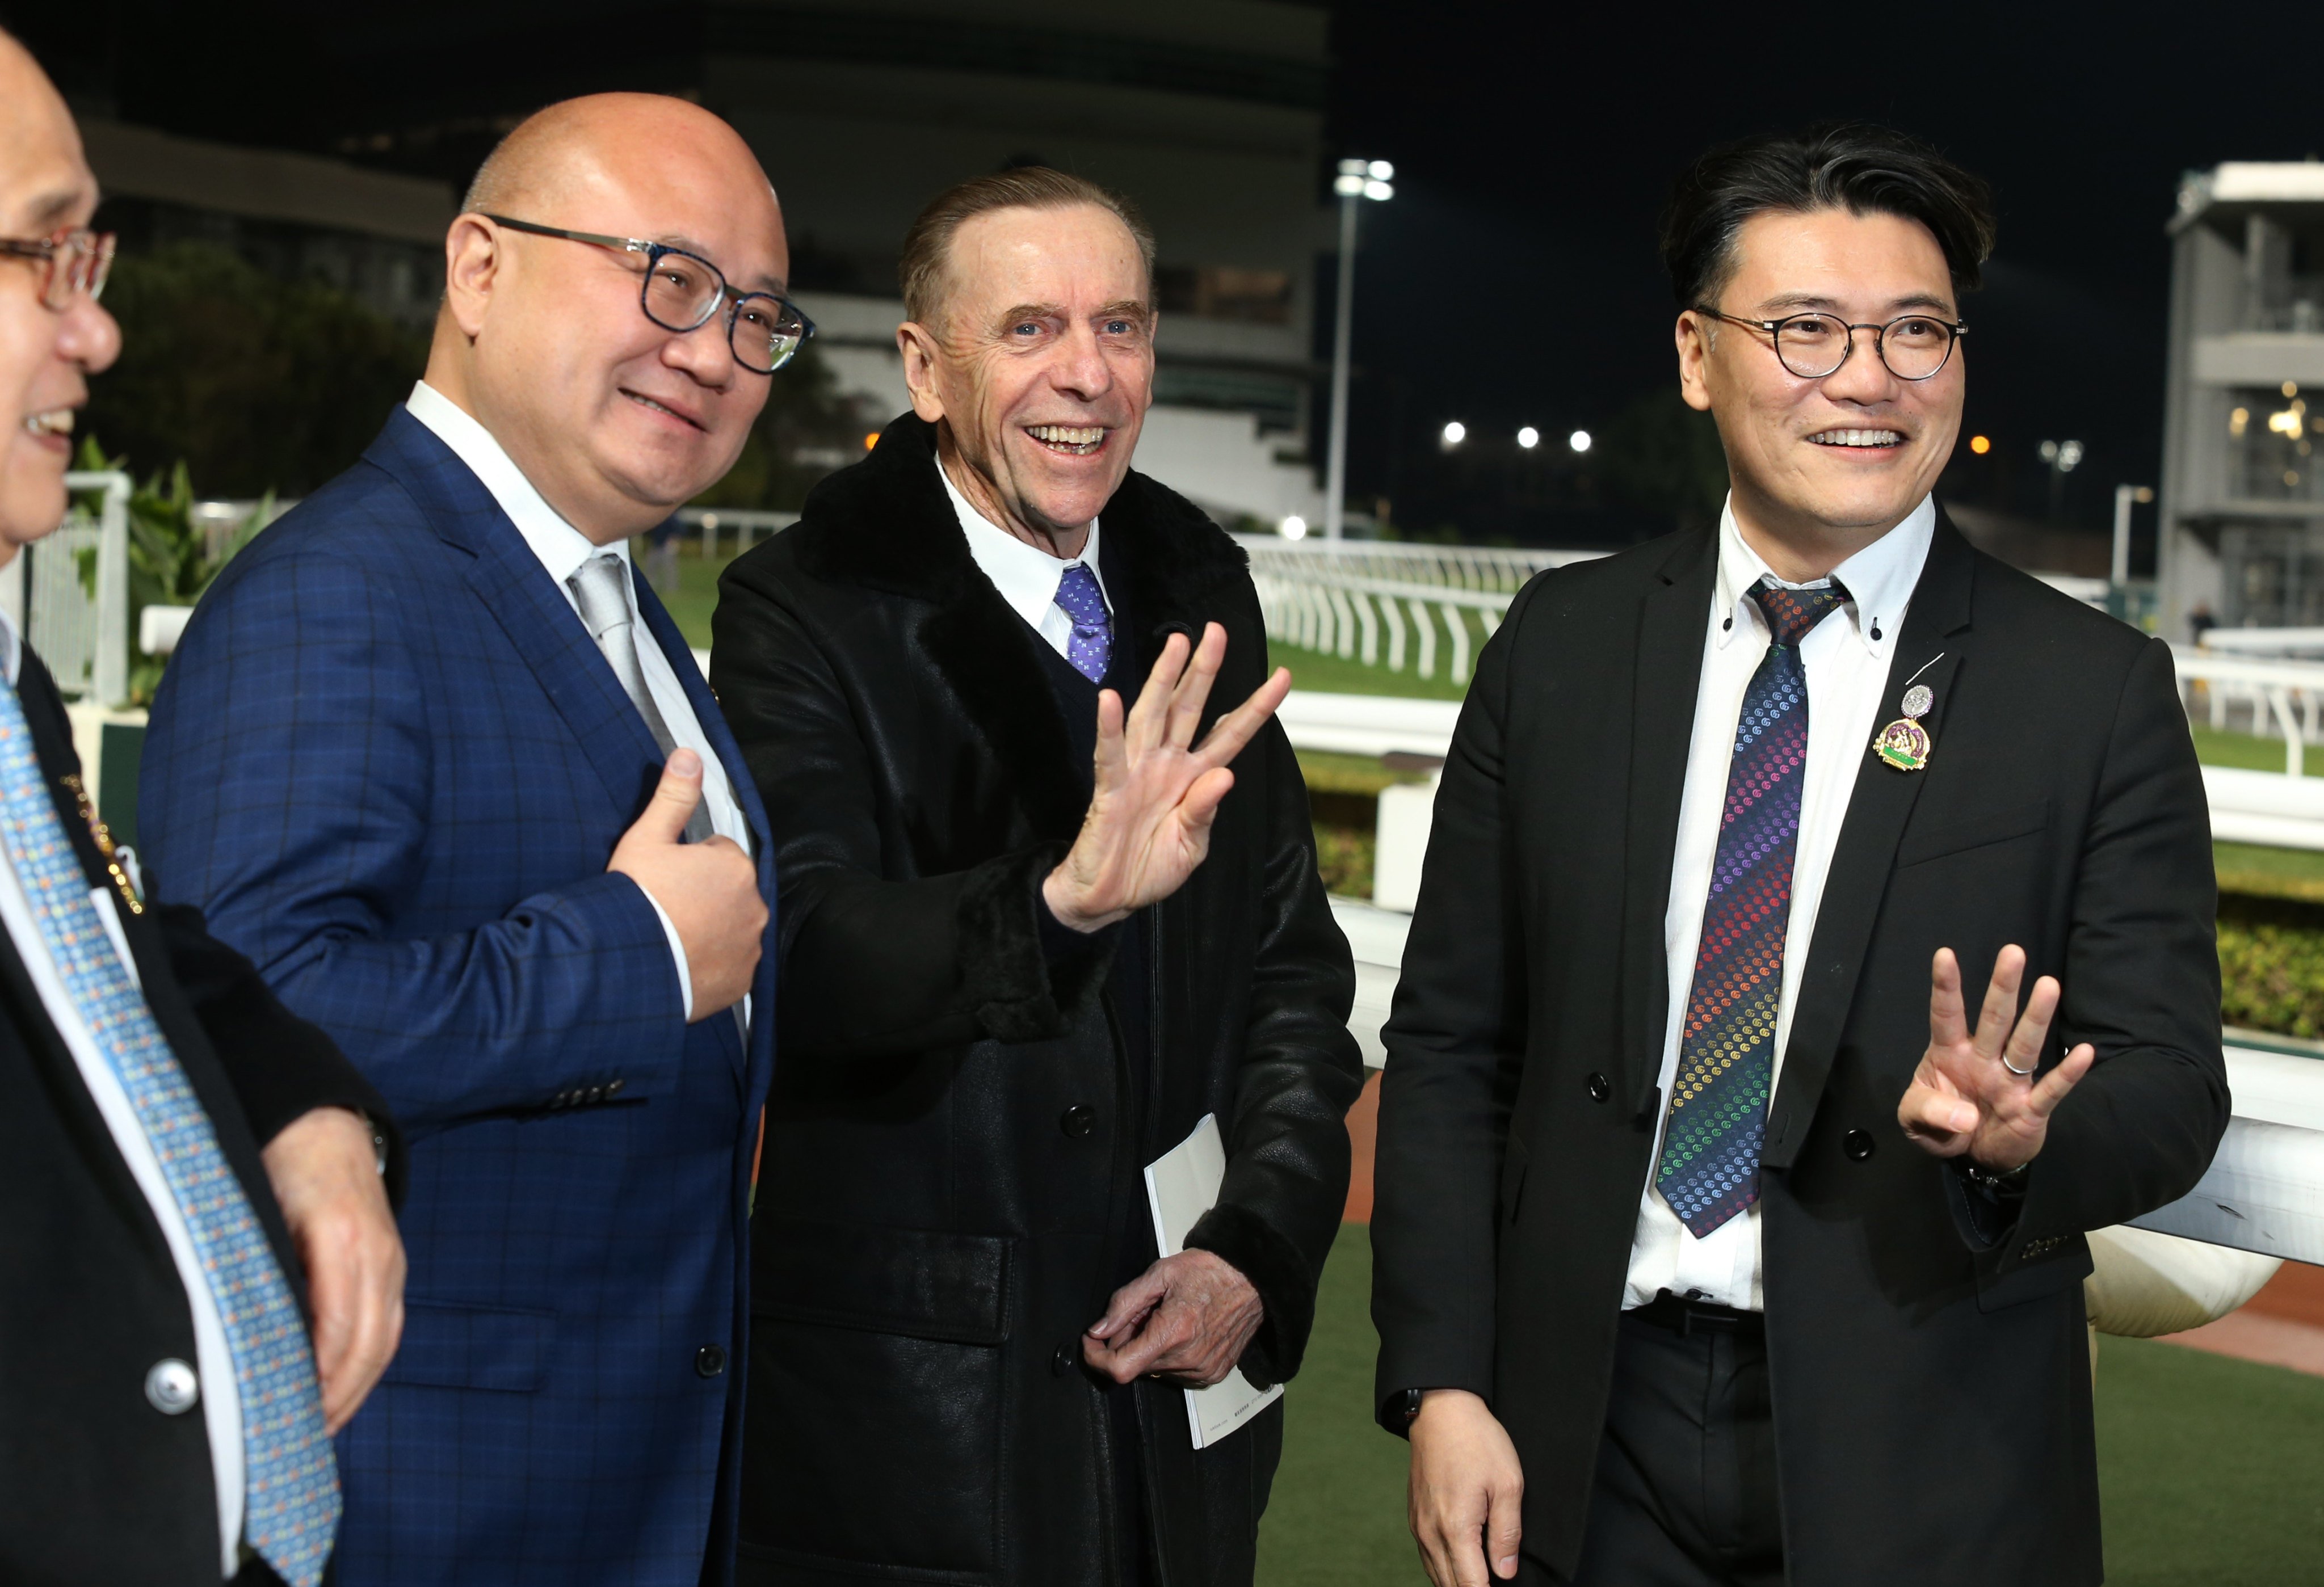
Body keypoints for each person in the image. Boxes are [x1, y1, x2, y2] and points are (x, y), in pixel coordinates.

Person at [1371, 123, 2226, 1587]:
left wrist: (2028, 1142)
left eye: (1914, 331)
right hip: (1588, 1424)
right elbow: (1452, 1045)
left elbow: (2168, 1083)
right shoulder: (1561, 646)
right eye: (1805, 329)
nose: (1867, 377)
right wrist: (1445, 1379)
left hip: (1930, 1435)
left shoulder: (2088, 689)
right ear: (1698, 356)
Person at [139, 93, 792, 1586]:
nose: (712, 347)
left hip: (627, 1488)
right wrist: (628, 959)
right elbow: (244, 1015)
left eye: (756, 314)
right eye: (670, 277)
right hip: (426, 1506)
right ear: (480, 268)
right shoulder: (336, 593)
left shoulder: (609, 596)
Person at [709, 167, 1363, 1586]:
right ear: (924, 367)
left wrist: (1254, 1250)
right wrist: (1059, 905)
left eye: (1119, 327)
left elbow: (1293, 973)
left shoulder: (1201, 585)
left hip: (1181, 1407)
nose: (1086, 373)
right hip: (922, 1421)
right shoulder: (800, 611)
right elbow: (805, 960)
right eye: (1028, 329)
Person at [0, 31, 407, 1586]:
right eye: (46, 255)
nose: (96, 330)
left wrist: (300, 1107)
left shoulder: (13, 682)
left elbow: (102, 954)